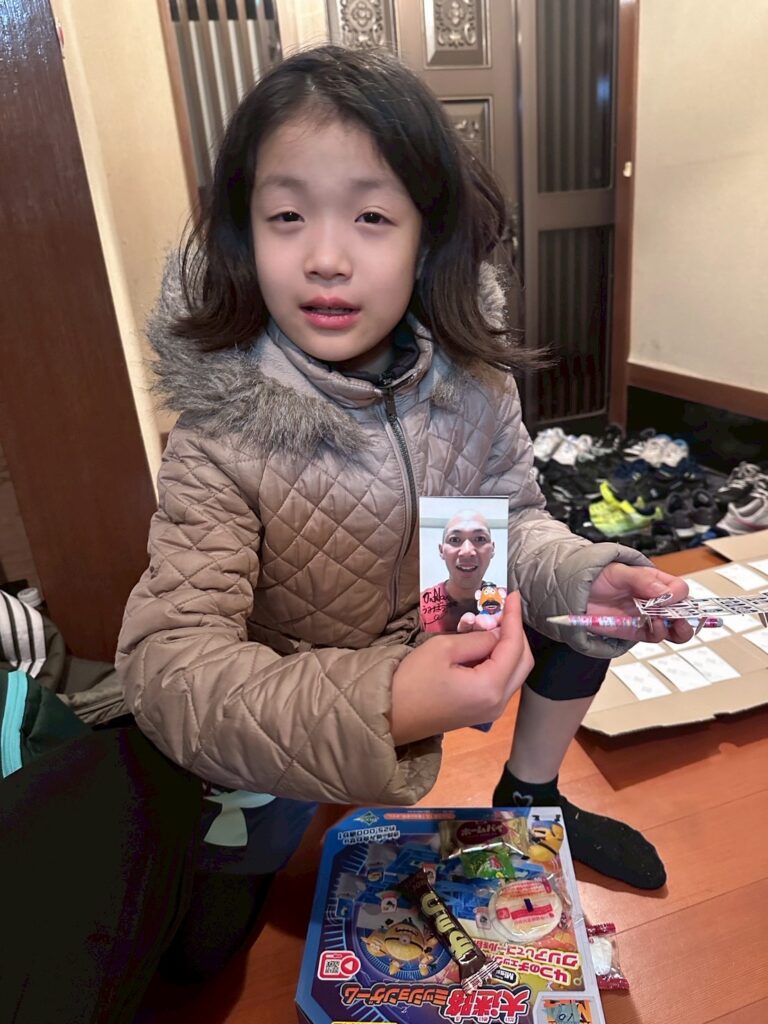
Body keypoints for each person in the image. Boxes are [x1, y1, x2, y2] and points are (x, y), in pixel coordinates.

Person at [116, 45, 694, 979]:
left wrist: (585, 573)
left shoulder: (472, 384)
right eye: (287, 215)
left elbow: (508, 529)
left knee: (584, 599)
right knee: (201, 959)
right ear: (244, 235)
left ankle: (532, 794)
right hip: (290, 713)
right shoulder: (219, 429)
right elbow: (169, 668)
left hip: (432, 647)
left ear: (428, 238)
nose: (325, 257)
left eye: (372, 216)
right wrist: (385, 702)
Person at [419, 509, 502, 633]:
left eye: (480, 539)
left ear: (492, 549)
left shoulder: (508, 601)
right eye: (455, 540)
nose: (467, 551)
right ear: (441, 551)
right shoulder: (420, 606)